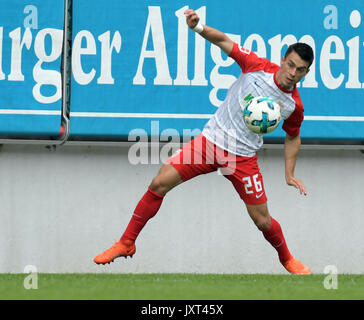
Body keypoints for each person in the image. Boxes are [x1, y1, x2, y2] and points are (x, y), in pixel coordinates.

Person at [94, 9, 314, 274]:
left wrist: (289, 174)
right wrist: (198, 28)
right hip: (209, 142)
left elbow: (292, 137)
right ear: (283, 59)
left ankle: (287, 259)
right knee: (159, 182)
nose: (292, 72)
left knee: (262, 220)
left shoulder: (293, 105)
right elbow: (224, 41)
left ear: (306, 72)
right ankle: (126, 242)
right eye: (290, 64)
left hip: (242, 158)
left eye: (300, 70)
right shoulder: (257, 67)